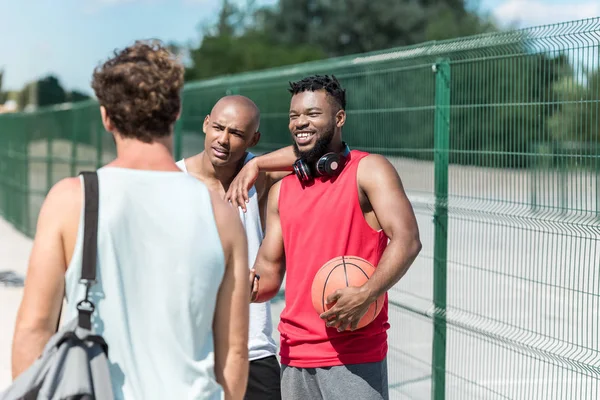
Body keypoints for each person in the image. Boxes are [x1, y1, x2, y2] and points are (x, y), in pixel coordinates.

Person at [11, 40, 250, 400]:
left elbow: (34, 331)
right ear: (177, 111)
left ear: (106, 116)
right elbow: (233, 351)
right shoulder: (222, 214)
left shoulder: (72, 200)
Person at [227, 74, 422, 400]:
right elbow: (268, 279)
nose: (300, 122)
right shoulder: (282, 192)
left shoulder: (369, 170)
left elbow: (408, 240)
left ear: (339, 118)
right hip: (294, 357)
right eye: (294, 116)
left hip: (354, 355)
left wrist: (366, 293)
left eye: (313, 114)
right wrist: (238, 286)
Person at [176, 94, 291, 400]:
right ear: (205, 125)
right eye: (218, 128)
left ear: (254, 138)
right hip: (189, 351)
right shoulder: (174, 181)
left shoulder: (262, 176)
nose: (223, 140)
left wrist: (258, 166)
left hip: (253, 348)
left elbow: (319, 152)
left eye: (237, 133)